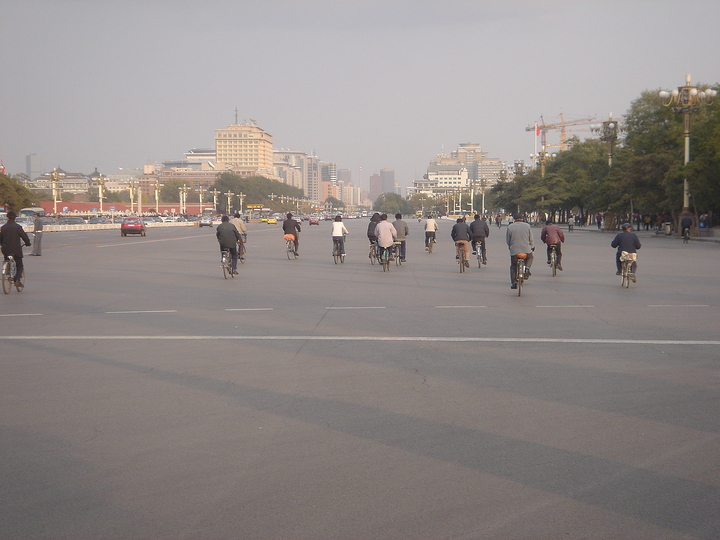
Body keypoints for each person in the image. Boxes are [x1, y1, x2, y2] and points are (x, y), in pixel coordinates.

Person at [0, 210, 32, 288]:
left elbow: (0, 239)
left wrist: (2, 245)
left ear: (7, 218)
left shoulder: (3, 227)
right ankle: (17, 279)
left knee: (7, 259)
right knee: (19, 265)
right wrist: (28, 243)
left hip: (6, 249)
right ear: (15, 218)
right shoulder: (17, 227)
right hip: (16, 249)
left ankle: (8, 270)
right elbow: (24, 236)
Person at [506, 213, 534, 289]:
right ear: (522, 219)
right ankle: (527, 269)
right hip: (526, 249)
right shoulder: (527, 226)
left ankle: (513, 282)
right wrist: (532, 246)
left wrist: (510, 247)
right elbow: (531, 238)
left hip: (514, 250)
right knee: (530, 258)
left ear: (514, 219)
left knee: (513, 266)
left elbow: (508, 239)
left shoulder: (510, 227)